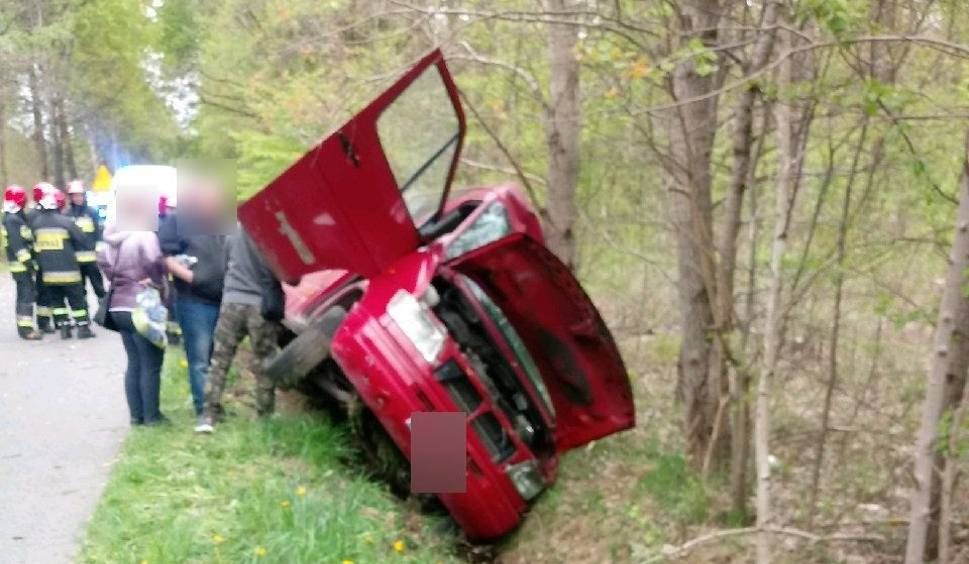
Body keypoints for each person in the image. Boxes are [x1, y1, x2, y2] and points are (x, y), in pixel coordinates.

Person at [195, 228, 283, 433]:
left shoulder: (232, 232)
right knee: (265, 362)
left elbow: (224, 266)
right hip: (261, 306)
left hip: (231, 302)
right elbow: (288, 276)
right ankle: (264, 416)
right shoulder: (271, 235)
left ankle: (208, 416)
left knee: (219, 361)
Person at [157, 201, 228, 426]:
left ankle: (216, 406)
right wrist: (192, 278)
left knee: (216, 358)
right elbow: (164, 256)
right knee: (199, 359)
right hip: (194, 300)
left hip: (224, 298)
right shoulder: (176, 221)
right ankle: (204, 411)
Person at [97, 220, 168, 426]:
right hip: (141, 306)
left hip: (118, 305)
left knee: (134, 362)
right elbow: (154, 260)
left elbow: (105, 265)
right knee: (151, 363)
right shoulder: (144, 235)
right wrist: (157, 283)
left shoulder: (109, 240)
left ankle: (136, 416)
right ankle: (152, 417)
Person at [29, 183, 95, 339]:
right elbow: (82, 239)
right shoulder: (65, 222)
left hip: (48, 274)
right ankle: (83, 328)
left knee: (57, 302)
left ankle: (64, 327)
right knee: (77, 301)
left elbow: (33, 247)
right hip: (69, 272)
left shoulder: (36, 225)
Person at [3, 185, 42, 340]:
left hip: (20, 266)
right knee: (26, 295)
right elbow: (18, 245)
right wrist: (29, 264)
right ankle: (26, 330)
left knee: (24, 294)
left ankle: (24, 326)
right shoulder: (12, 220)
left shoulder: (15, 217)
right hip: (21, 266)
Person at [65, 180, 106, 299]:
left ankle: (103, 313)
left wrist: (99, 250)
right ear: (71, 197)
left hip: (92, 259)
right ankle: (84, 315)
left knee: (99, 288)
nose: (78, 198)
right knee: (79, 290)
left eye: (80, 195)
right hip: (75, 261)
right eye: (75, 196)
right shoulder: (67, 215)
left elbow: (99, 232)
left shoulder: (92, 212)